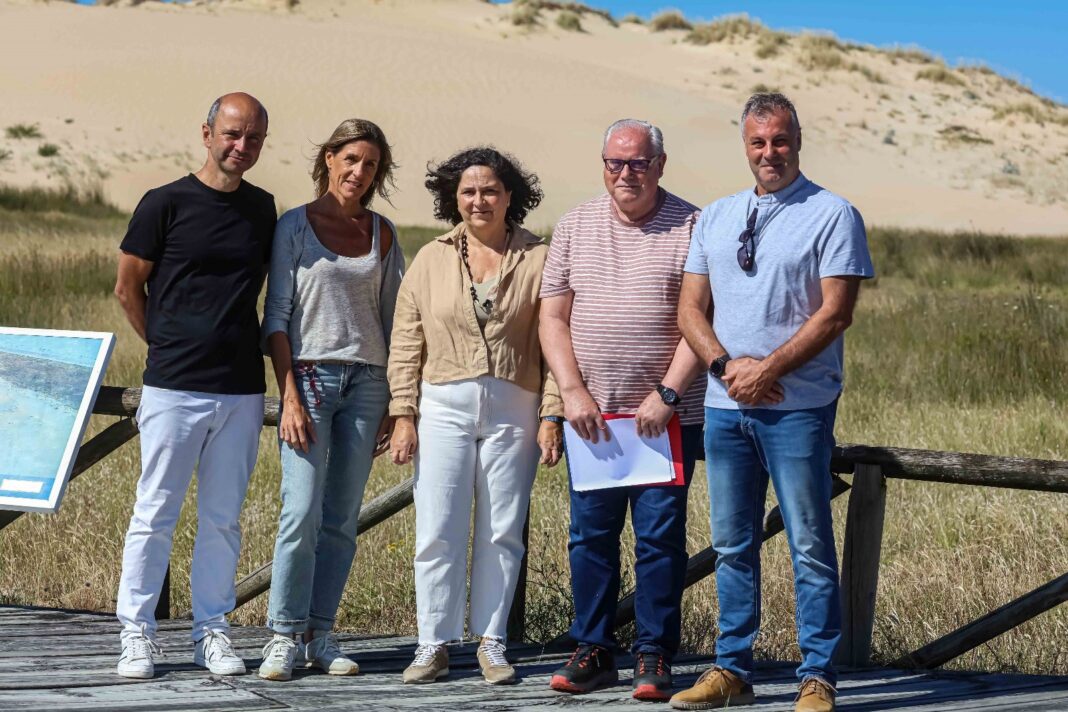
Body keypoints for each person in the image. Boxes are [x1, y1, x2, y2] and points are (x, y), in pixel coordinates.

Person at [671, 92, 874, 712]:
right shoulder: (716, 216)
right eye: (758, 142)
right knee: (732, 544)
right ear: (745, 145)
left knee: (808, 543)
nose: (770, 152)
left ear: (798, 141)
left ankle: (817, 676)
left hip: (798, 408)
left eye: (780, 140)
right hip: (726, 406)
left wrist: (769, 370)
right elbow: (690, 308)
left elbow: (835, 313)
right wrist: (726, 367)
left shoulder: (833, 214)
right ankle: (732, 669)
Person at [539, 119, 707, 701]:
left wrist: (668, 393)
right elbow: (552, 317)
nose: (626, 173)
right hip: (593, 418)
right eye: (616, 162)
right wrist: (571, 392)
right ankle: (592, 648)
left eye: (638, 162)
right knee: (590, 537)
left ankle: (654, 652)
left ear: (660, 164)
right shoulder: (574, 225)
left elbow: (701, 319)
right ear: (603, 164)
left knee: (659, 538)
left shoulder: (693, 225)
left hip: (666, 421)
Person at [113, 92, 276, 679]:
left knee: (223, 519)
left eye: (253, 137)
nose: (241, 146)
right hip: (174, 388)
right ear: (207, 134)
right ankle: (136, 633)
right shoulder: (164, 202)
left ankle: (212, 630)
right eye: (232, 134)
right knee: (154, 511)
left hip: (241, 390)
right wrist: (164, 346)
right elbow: (128, 287)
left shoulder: (263, 208)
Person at [387, 147, 564, 686]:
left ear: (511, 196)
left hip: (516, 408)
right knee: (437, 527)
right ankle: (433, 643)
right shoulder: (429, 258)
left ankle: (492, 642)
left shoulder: (540, 257)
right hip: (442, 405)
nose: (479, 200)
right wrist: (403, 412)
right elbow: (406, 341)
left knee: (503, 530)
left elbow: (557, 343)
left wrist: (552, 413)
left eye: (490, 190)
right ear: (454, 198)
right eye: (468, 191)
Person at [256, 119, 404, 681]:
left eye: (370, 165)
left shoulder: (382, 232)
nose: (358, 172)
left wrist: (394, 399)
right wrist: (288, 395)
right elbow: (276, 317)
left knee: (341, 518)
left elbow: (394, 320)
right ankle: (283, 635)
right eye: (351, 160)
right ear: (329, 159)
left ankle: (320, 634)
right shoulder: (295, 225)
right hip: (310, 381)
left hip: (368, 385)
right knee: (300, 511)